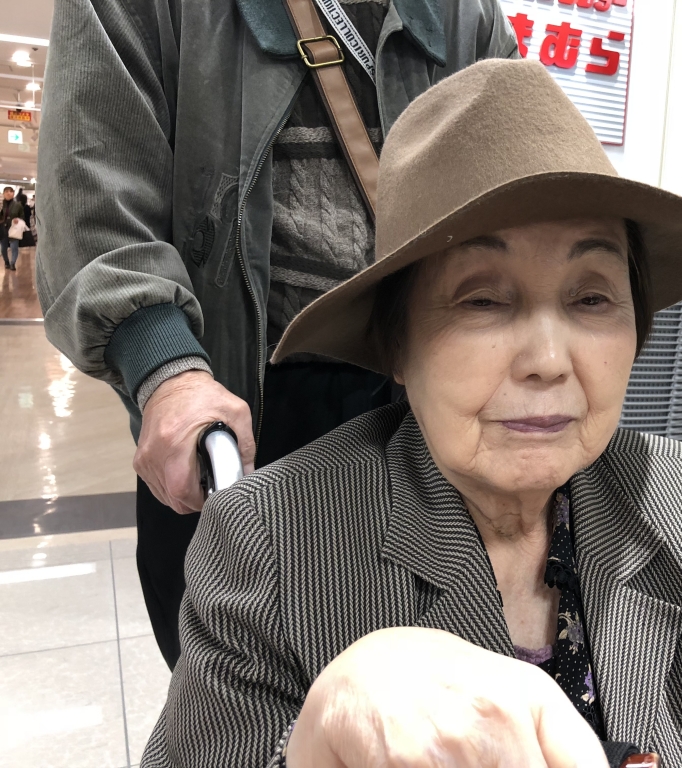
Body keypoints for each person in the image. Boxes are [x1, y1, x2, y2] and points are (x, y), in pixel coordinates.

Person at [141, 60, 682, 768]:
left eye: (592, 298)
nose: (548, 360)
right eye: (484, 300)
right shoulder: (272, 540)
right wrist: (310, 750)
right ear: (397, 344)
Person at [36, 0, 517, 669]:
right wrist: (166, 371)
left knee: (441, 672)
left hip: (429, 394)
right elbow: (92, 187)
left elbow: (515, 196)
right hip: (240, 407)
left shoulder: (465, 14)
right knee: (244, 685)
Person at [1, 186, 24, 271]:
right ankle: (6, 262)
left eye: (10, 191)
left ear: (13, 194)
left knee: (14, 247)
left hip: (14, 229)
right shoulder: (1, 205)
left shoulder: (18, 205)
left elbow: (22, 217)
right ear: (3, 194)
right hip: (3, 229)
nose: (8, 193)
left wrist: (18, 220)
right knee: (3, 249)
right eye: (6, 191)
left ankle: (12, 263)